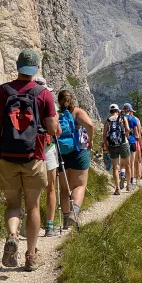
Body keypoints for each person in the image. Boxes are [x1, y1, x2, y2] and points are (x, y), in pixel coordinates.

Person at [0, 49, 60, 272]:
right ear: (36, 68)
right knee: (33, 205)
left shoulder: (1, 91)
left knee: (13, 204)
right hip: (33, 156)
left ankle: (13, 235)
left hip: (6, 156)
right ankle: (31, 255)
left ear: (17, 66)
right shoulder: (44, 93)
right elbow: (53, 129)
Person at [57, 90, 94, 229]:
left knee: (64, 187)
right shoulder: (78, 112)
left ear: (59, 100)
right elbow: (90, 125)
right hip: (79, 152)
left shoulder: (57, 113)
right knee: (79, 185)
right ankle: (75, 211)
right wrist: (91, 140)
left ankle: (66, 220)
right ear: (72, 99)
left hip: (62, 153)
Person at [34, 77, 59, 237]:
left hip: (30, 149)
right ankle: (49, 225)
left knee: (33, 190)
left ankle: (31, 224)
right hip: (47, 149)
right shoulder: (50, 103)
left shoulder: (25, 102)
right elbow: (57, 131)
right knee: (50, 188)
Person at [103, 104, 131, 195]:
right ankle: (128, 186)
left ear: (110, 111)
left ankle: (117, 188)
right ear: (117, 111)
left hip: (113, 145)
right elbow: (127, 129)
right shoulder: (123, 118)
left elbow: (104, 136)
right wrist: (126, 137)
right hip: (123, 143)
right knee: (127, 165)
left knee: (115, 167)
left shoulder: (107, 121)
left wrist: (106, 146)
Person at [122, 103, 142, 186]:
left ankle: (123, 175)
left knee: (124, 162)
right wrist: (141, 144)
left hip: (122, 141)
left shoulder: (121, 118)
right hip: (134, 141)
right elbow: (138, 133)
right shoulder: (135, 119)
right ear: (130, 111)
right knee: (136, 161)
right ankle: (135, 180)